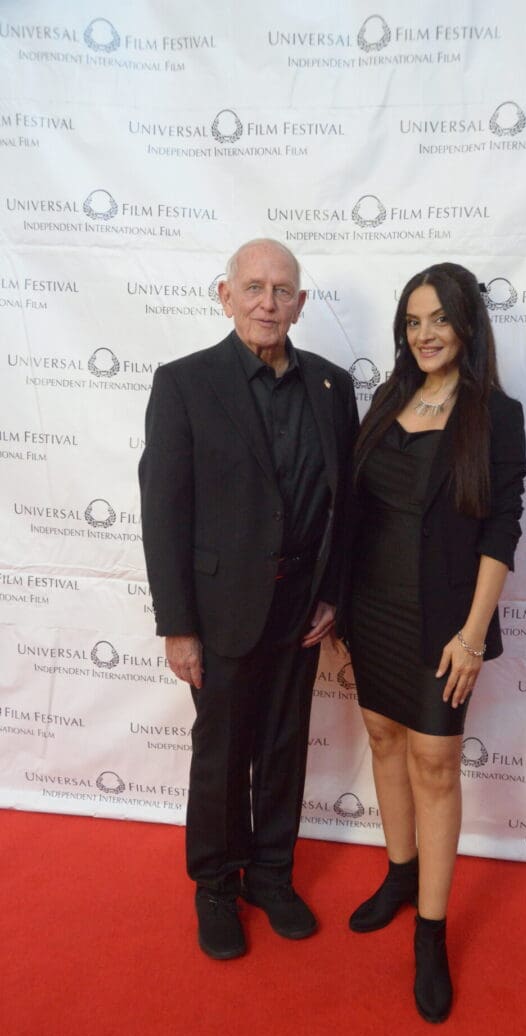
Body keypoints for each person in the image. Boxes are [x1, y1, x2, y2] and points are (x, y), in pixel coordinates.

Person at [139, 239, 358, 960]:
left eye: (282, 289)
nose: (268, 301)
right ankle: (214, 885)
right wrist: (178, 626)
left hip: (300, 608)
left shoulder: (330, 385)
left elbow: (344, 503)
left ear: (299, 303)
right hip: (220, 609)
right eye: (254, 287)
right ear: (224, 294)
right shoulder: (184, 384)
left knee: (284, 747)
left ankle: (270, 874)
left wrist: (332, 591)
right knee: (223, 753)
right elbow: (164, 511)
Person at [347, 262, 526, 1022]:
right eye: (412, 321)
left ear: (466, 327)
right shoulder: (388, 399)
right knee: (385, 739)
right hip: (370, 607)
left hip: (445, 618)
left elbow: (500, 527)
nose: (424, 333)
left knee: (435, 760)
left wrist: (473, 636)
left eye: (438, 320)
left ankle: (429, 930)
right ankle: (397, 871)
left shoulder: (495, 413)